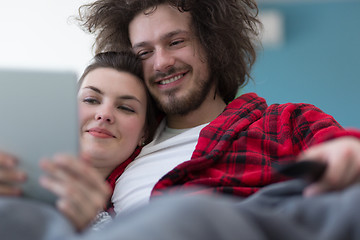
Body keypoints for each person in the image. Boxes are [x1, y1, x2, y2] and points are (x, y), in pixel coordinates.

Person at [1, 0, 360, 239]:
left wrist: (347, 153)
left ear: (212, 44)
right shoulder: (125, 146)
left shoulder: (284, 121)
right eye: (144, 52)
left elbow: (343, 151)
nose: (161, 62)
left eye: (175, 42)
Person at [0, 51, 157, 231]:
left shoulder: (121, 225)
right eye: (91, 100)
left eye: (125, 108)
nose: (104, 114)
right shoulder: (11, 167)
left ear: (144, 132)